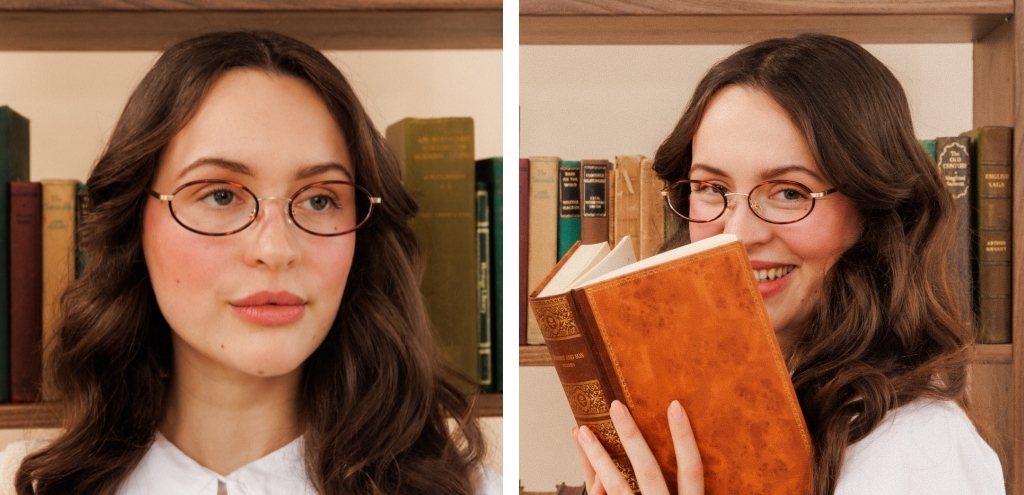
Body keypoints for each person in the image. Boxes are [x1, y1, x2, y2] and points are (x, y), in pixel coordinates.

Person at [0, 31, 500, 495]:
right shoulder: (23, 482)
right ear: (135, 223)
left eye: (320, 200)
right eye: (221, 195)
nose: (276, 248)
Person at [572, 33, 1004, 495]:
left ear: (874, 212)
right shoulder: (727, 411)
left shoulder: (920, 448)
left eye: (789, 193)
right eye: (711, 188)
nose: (737, 235)